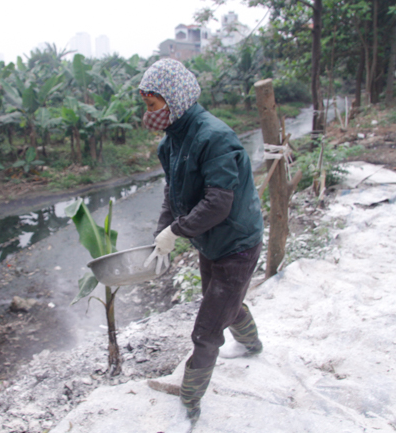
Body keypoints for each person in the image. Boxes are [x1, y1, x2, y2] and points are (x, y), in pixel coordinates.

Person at [140, 58, 264, 422]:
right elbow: (171, 192)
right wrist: (161, 232)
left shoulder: (215, 137)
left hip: (237, 242)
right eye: (146, 106)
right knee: (225, 303)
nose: (148, 114)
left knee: (206, 331)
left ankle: (189, 402)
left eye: (152, 105)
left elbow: (219, 203)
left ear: (174, 100)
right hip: (209, 240)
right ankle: (254, 343)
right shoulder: (171, 143)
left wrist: (177, 231)